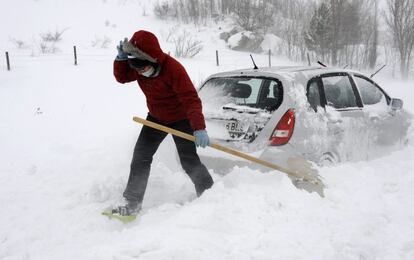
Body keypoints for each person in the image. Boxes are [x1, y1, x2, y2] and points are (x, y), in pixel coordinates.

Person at [112, 30, 214, 216]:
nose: (140, 73)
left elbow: (191, 99)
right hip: (156, 118)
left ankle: (210, 194)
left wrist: (199, 128)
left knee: (189, 161)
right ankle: (133, 202)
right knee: (140, 157)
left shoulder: (174, 70)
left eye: (143, 69)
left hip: (181, 119)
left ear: (153, 60)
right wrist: (120, 60)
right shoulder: (139, 66)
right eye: (137, 70)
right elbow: (122, 78)